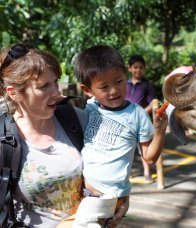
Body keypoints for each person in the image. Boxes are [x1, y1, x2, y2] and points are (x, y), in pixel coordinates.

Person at [75, 45, 168, 226]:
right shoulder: (90, 107)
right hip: (80, 189)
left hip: (112, 196)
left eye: (118, 81)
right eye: (104, 86)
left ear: (126, 76)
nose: (114, 90)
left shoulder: (137, 114)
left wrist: (160, 131)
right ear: (88, 90)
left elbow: (149, 157)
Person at [0, 44, 88, 227]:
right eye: (44, 86)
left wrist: (119, 205)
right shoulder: (4, 140)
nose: (57, 93)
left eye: (55, 82)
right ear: (14, 93)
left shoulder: (75, 119)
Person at [125, 54, 156, 183]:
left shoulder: (147, 85)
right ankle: (127, 173)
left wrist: (142, 113)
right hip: (124, 120)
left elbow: (152, 102)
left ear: (144, 69)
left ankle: (147, 173)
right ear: (130, 68)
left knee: (144, 147)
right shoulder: (123, 84)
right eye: (135, 67)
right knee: (125, 147)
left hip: (141, 122)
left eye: (141, 67)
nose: (138, 70)